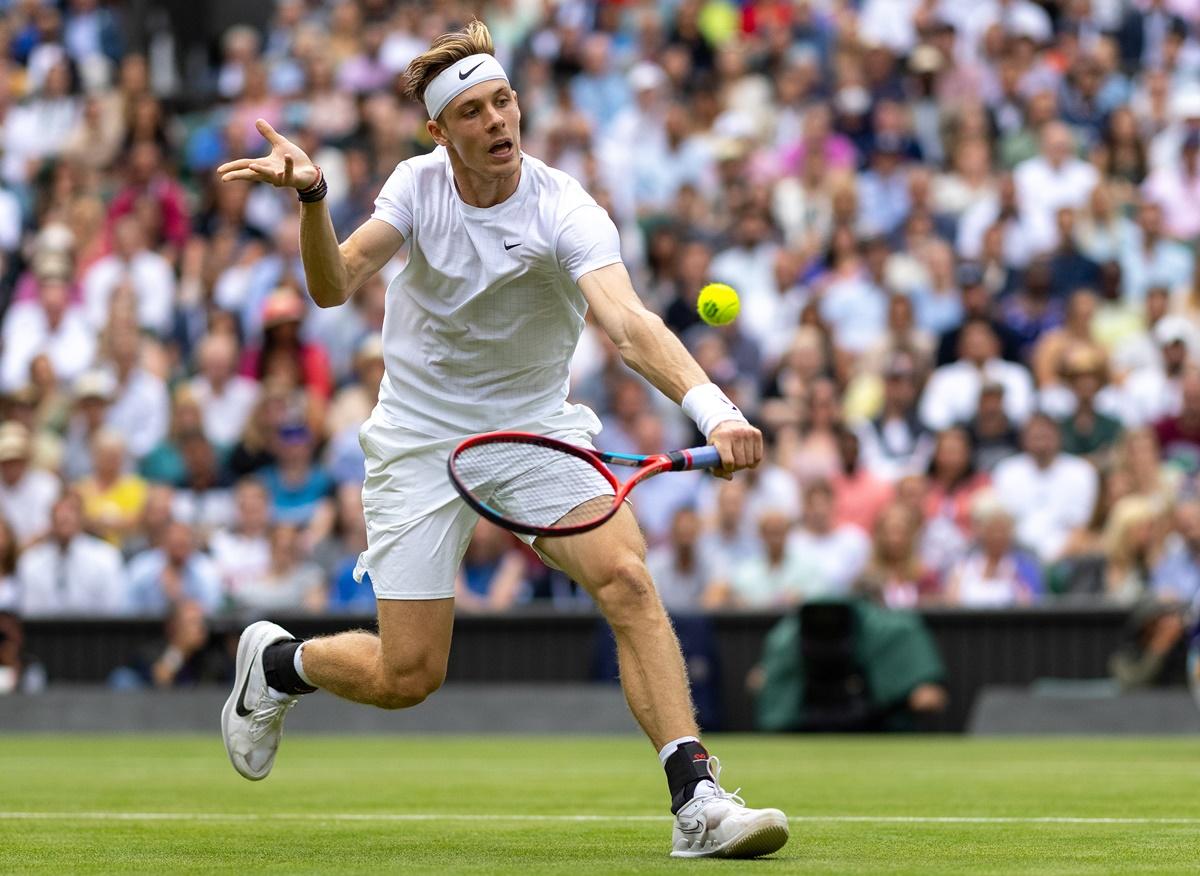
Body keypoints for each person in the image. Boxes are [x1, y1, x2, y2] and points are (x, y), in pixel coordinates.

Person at [215, 22, 785, 857]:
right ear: (442, 132)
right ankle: (277, 667)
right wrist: (312, 199)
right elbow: (332, 285)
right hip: (416, 438)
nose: (497, 122)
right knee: (408, 678)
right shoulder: (415, 188)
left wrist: (717, 411)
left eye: (504, 101)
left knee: (627, 582)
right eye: (474, 112)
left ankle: (696, 799)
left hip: (533, 431)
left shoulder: (564, 206)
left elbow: (627, 324)